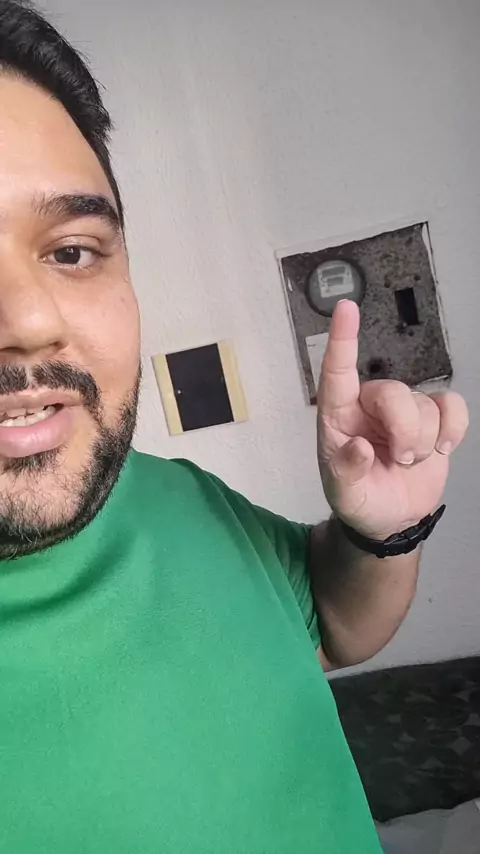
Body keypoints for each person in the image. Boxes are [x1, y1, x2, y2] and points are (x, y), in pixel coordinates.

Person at [0, 2, 469, 852]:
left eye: (71, 251)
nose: (30, 320)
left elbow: (335, 626)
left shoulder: (174, 494)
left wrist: (383, 533)